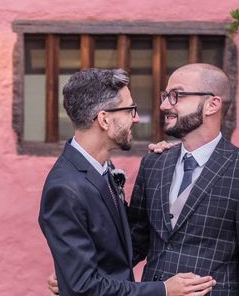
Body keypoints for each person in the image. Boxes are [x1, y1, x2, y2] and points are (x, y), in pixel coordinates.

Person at [39, 68, 216, 296]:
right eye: (130, 109)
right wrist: (163, 290)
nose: (135, 118)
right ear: (104, 119)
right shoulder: (65, 189)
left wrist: (176, 158)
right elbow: (83, 289)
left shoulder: (101, 168)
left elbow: (116, 249)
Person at [128, 63, 239, 295]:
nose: (164, 105)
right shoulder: (154, 163)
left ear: (212, 105)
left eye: (176, 95)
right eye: (165, 96)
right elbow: (134, 241)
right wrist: (82, 271)